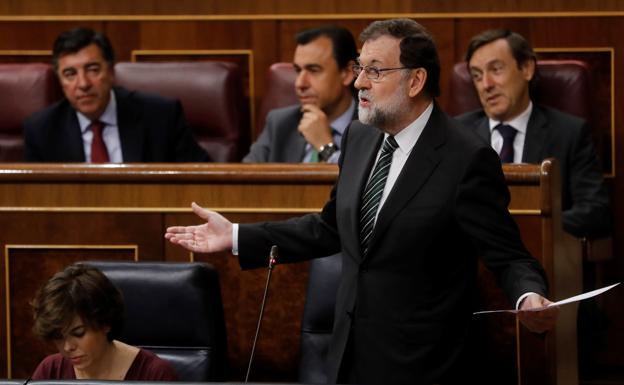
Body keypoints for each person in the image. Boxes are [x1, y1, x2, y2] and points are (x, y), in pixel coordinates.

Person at [166, 19, 558, 384]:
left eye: (375, 70)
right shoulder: (360, 137)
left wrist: (528, 295)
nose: (358, 83)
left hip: (424, 366)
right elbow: (330, 227)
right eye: (359, 68)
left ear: (416, 80)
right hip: (348, 358)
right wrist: (236, 235)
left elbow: (508, 255)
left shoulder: (465, 157)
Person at [456, 29, 611, 239]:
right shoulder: (457, 134)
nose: (486, 85)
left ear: (527, 68)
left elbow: (595, 211)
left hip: (540, 259)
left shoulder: (569, 133)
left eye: (496, 69)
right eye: (477, 75)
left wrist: (531, 229)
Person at [24, 27, 209, 162]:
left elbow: (201, 178)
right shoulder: (42, 129)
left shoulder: (161, 116)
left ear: (111, 72)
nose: (83, 84)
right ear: (60, 81)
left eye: (93, 69)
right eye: (70, 74)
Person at [30, 263, 178, 381]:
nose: (68, 347)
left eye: (78, 333)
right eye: (58, 337)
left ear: (104, 323)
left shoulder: (155, 374)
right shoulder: (51, 370)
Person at [243, 25, 358, 163]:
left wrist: (326, 148)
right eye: (298, 70)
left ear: (347, 73)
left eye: (314, 70)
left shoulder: (373, 129)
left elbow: (366, 183)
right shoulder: (280, 123)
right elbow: (244, 181)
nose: (300, 83)